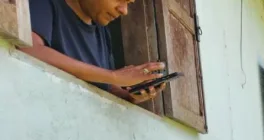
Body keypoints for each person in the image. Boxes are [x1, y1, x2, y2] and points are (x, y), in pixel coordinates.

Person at [21, 0, 166, 104]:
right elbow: (30, 48)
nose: (124, 10)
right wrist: (114, 76)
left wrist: (130, 95)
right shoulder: (46, 4)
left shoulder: (102, 32)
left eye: (129, 3)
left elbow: (106, 86)